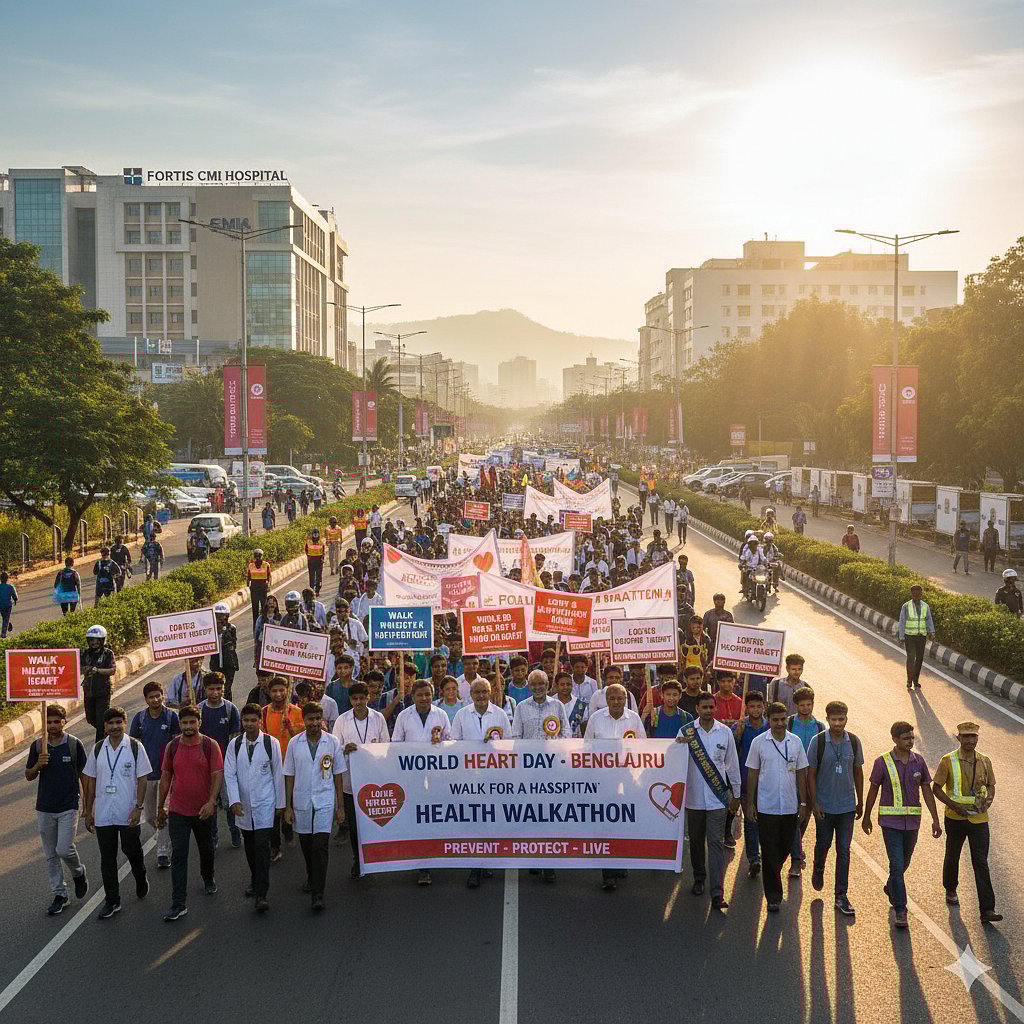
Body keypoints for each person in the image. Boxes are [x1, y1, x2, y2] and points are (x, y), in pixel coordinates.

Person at [862, 721, 943, 929]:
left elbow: (927, 790)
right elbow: (873, 789)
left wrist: (935, 819)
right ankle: (901, 910)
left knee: (904, 863)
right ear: (895, 739)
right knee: (897, 865)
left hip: (912, 823)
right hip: (890, 824)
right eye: (906, 738)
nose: (910, 742)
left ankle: (892, 885)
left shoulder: (919, 762)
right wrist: (866, 815)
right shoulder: (882, 762)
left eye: (912, 738)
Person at [82, 706, 151, 920]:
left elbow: (142, 779)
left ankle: (140, 876)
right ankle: (112, 900)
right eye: (110, 723)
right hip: (104, 813)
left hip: (128, 811)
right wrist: (88, 811)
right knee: (107, 858)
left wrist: (139, 807)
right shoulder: (98, 749)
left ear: (125, 723)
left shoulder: (135, 747)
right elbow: (90, 780)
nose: (115, 727)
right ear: (105, 726)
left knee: (132, 850)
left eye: (118, 722)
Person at [156, 704, 222, 922]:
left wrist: (211, 802)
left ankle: (208, 877)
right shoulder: (172, 747)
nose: (188, 726)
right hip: (178, 811)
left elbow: (217, 774)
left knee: (206, 849)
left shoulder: (210, 745)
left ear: (199, 723)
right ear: (180, 724)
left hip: (203, 811)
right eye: (184, 723)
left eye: (192, 722)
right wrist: (161, 807)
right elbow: (166, 777)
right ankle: (178, 904)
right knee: (179, 856)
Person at [676, 692, 741, 909]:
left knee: (715, 843)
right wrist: (678, 745)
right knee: (696, 842)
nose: (708, 711)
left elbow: (732, 764)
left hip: (717, 799)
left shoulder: (724, 732)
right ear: (697, 709)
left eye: (711, 707)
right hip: (693, 798)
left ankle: (717, 892)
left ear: (715, 708)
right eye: (704, 707)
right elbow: (674, 761)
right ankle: (699, 878)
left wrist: (736, 794)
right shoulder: (685, 732)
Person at [931, 721, 1001, 923]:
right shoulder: (948, 760)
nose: (970, 740)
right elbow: (936, 788)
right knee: (953, 855)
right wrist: (954, 805)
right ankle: (950, 888)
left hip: (979, 819)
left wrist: (988, 801)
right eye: (966, 736)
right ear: (958, 738)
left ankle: (987, 909)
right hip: (955, 818)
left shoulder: (985, 761)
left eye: (973, 736)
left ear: (977, 738)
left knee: (981, 862)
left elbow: (991, 786)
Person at [745, 701, 810, 913]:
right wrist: (750, 803)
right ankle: (773, 896)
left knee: (785, 846)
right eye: (775, 720)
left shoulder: (796, 742)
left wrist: (803, 803)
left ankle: (773, 868)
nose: (780, 723)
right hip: (767, 806)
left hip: (790, 806)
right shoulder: (758, 743)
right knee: (769, 849)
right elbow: (752, 773)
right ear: (769, 720)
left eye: (783, 719)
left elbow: (801, 772)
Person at [25, 703, 89, 915]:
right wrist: (38, 765)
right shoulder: (38, 746)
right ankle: (60, 894)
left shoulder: (73, 744)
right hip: (44, 807)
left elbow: (84, 776)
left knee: (64, 849)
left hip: (68, 805)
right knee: (51, 854)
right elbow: (28, 775)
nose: (52, 725)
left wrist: (88, 806)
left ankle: (78, 872)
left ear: (64, 722)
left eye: (56, 721)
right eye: (48, 722)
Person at [283, 703, 344, 912]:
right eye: (310, 719)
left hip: (324, 800)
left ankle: (318, 894)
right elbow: (289, 775)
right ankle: (311, 875)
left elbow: (338, 775)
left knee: (320, 846)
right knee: (307, 845)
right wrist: (288, 806)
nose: (315, 723)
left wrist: (340, 807)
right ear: (304, 720)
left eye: (318, 718)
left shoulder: (332, 742)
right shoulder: (294, 743)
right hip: (302, 801)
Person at [224, 703, 284, 912]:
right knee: (249, 846)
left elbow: (278, 773)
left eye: (253, 720)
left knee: (261, 847)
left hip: (266, 803)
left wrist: (280, 804)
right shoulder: (234, 745)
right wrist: (234, 800)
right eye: (246, 720)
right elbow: (230, 773)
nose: (249, 724)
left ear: (260, 722)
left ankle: (261, 893)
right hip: (244, 805)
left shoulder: (270, 743)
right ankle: (254, 878)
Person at [807, 700, 863, 917]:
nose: (838, 723)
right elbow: (811, 773)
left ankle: (841, 895)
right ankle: (818, 867)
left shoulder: (854, 742)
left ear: (846, 719)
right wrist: (814, 803)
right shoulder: (818, 741)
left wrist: (860, 801)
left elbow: (858, 771)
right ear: (827, 719)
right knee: (823, 844)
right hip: (824, 806)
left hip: (847, 807)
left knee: (844, 850)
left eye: (841, 719)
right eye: (834, 719)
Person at [392, 680, 450, 885]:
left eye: (428, 694)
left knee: (433, 818)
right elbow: (396, 745)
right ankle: (421, 864)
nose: (424, 698)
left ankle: (433, 858)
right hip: (412, 777)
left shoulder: (441, 715)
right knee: (415, 819)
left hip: (435, 776)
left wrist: (441, 744)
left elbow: (451, 743)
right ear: (413, 696)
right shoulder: (404, 716)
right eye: (420, 695)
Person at [333, 682, 389, 878]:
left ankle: (372, 860)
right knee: (355, 827)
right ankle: (358, 860)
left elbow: (386, 746)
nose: (358, 702)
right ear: (350, 700)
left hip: (373, 781)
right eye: (354, 699)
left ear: (368, 698)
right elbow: (335, 747)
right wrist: (344, 749)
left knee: (372, 824)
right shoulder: (342, 720)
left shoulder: (378, 718)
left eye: (362, 698)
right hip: (350, 782)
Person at [129, 682, 180, 869]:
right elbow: (133, 745)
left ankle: (163, 852)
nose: (156, 700)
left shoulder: (172, 717)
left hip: (167, 774)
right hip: (147, 776)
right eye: (151, 697)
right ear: (146, 699)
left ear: (163, 696)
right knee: (150, 815)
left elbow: (178, 743)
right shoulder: (140, 719)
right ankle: (164, 835)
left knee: (162, 813)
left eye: (158, 695)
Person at [261, 677, 304, 862]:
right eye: (274, 691)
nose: (278, 694)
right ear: (269, 693)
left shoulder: (297, 712)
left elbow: (302, 740)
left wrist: (290, 728)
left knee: (289, 802)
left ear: (288, 690)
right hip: (271, 767)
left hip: (292, 767)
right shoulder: (263, 712)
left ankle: (288, 829)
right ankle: (275, 845)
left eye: (281, 690)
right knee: (273, 807)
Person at [785, 686, 825, 878]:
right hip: (791, 777)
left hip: (811, 779)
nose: (806, 708)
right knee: (793, 817)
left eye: (809, 704)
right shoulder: (789, 723)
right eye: (802, 705)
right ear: (796, 706)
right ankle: (796, 856)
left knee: (804, 816)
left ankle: (796, 846)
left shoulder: (819, 727)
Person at [199, 673, 242, 850]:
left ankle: (235, 831)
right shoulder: (199, 710)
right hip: (206, 767)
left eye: (219, 689)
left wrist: (232, 764)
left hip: (226, 766)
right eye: (211, 689)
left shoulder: (231, 709)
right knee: (211, 803)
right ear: (205, 690)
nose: (215, 692)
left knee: (230, 802)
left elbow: (235, 738)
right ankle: (213, 836)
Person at [733, 691, 770, 876]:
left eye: (759, 706)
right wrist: (737, 735)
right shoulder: (739, 726)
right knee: (750, 821)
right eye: (752, 706)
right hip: (746, 780)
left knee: (766, 821)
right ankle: (754, 859)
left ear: (764, 707)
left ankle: (768, 856)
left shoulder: (770, 726)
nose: (756, 710)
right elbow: (731, 751)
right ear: (746, 708)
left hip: (768, 782)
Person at [82, 624, 116, 743]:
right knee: (91, 718)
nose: (94, 643)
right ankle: (108, 732)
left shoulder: (108, 653)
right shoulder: (85, 653)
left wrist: (98, 670)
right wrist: (85, 669)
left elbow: (112, 670)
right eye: (91, 640)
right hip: (88, 691)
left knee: (101, 720)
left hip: (103, 691)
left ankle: (100, 744)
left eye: (97, 641)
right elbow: (79, 667)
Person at [897, 584, 934, 691]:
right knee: (911, 658)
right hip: (909, 636)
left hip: (921, 636)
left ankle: (915, 680)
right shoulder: (906, 606)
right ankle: (909, 680)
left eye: (918, 594)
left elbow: (928, 619)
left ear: (921, 594)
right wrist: (901, 636)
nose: (917, 596)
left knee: (919, 659)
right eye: (915, 595)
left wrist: (931, 631)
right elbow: (902, 621)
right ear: (912, 595)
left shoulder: (925, 606)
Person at [247, 548, 272, 630]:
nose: (257, 557)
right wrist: (248, 586)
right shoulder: (251, 565)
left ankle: (263, 625)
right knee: (256, 608)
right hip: (256, 588)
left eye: (258, 556)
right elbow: (249, 577)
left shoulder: (265, 565)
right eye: (256, 556)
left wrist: (268, 586)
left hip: (261, 588)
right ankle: (257, 627)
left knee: (262, 608)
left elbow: (269, 577)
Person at [305, 527, 326, 596]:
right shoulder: (309, 542)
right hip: (311, 562)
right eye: (314, 534)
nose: (315, 536)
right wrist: (309, 557)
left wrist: (322, 559)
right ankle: (311, 589)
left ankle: (317, 590)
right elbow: (306, 550)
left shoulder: (321, 542)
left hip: (319, 562)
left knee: (319, 576)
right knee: (311, 576)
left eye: (316, 534)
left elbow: (323, 551)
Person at [0, 571, 17, 638]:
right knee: (6, 618)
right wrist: (15, 600)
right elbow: (14, 596)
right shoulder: (10, 587)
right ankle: (3, 633)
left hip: (1, 605)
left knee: (5, 618)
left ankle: (7, 625)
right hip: (8, 605)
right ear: (7, 579)